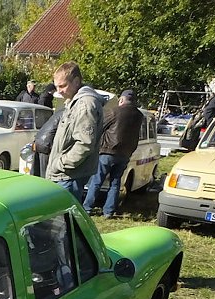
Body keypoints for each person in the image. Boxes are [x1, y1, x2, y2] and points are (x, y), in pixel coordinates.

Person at [45, 61, 104, 201]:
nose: (59, 91)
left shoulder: (85, 105)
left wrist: (60, 164)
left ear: (76, 81)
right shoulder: (74, 102)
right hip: (66, 175)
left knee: (62, 220)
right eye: (56, 86)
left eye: (63, 86)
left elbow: (84, 144)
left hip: (69, 176)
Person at [82, 89, 144, 217]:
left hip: (108, 151)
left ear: (121, 100)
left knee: (97, 181)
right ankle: (109, 211)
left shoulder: (114, 111)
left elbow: (100, 125)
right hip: (125, 153)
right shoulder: (139, 115)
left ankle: (87, 208)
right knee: (115, 183)